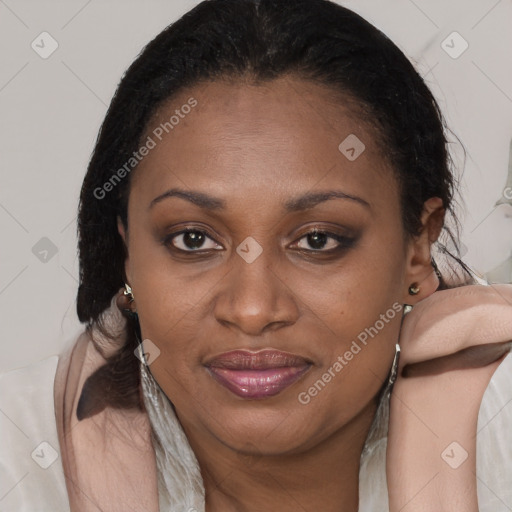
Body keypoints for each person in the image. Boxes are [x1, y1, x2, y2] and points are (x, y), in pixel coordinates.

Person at [1, 1, 511, 511]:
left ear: (417, 248)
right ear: (128, 253)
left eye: (317, 240)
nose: (251, 309)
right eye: (193, 239)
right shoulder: (19, 464)